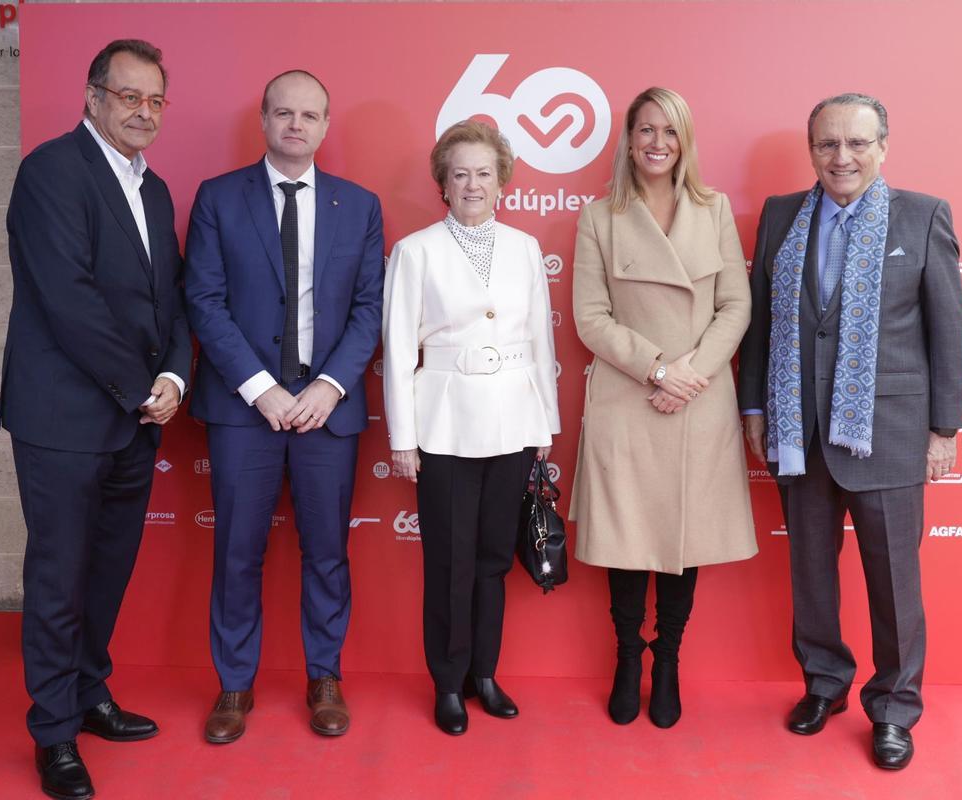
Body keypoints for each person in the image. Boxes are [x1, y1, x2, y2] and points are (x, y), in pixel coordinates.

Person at [737, 93, 962, 770]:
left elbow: (946, 331)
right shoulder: (781, 217)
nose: (842, 157)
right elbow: (760, 322)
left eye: (857, 143)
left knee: (894, 584)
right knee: (810, 573)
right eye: (828, 144)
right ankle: (824, 684)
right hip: (798, 429)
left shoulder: (922, 216)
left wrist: (943, 429)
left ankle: (895, 708)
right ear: (811, 151)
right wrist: (754, 407)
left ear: (883, 148)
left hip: (888, 431)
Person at [0, 39, 191, 800]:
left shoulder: (156, 189)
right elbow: (68, 300)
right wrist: (141, 384)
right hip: (65, 418)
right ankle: (52, 732)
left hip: (135, 416)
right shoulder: (51, 172)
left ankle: (87, 693)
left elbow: (167, 299)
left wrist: (173, 375)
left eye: (154, 100)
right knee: (59, 576)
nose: (142, 112)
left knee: (106, 573)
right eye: (127, 96)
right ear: (93, 96)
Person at [185, 70, 384, 743]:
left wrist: (328, 387)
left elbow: (368, 308)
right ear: (265, 121)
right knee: (237, 552)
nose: (296, 125)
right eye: (283, 113)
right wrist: (260, 388)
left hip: (328, 411)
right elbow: (204, 302)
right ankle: (234, 685)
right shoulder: (217, 199)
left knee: (327, 551)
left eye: (310, 115)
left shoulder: (360, 207)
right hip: (246, 410)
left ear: (326, 126)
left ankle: (324, 677)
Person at [570, 87, 758, 729]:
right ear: (628, 139)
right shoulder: (601, 216)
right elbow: (590, 318)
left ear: (685, 141)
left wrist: (690, 375)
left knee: (686, 536)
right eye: (646, 130)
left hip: (697, 401)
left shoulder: (714, 209)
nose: (657, 142)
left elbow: (736, 305)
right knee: (628, 538)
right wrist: (657, 368)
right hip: (629, 396)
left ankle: (668, 661)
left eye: (670, 131)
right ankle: (628, 657)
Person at [383, 120, 560, 736]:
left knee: (491, 557)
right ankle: (449, 681)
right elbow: (400, 347)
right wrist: (402, 437)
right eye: (460, 173)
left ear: (502, 181)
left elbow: (541, 339)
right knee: (450, 560)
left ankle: (485, 673)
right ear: (443, 182)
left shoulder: (524, 248)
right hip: (444, 424)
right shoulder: (415, 250)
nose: (473, 184)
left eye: (485, 172)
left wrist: (546, 422)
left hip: (513, 420)